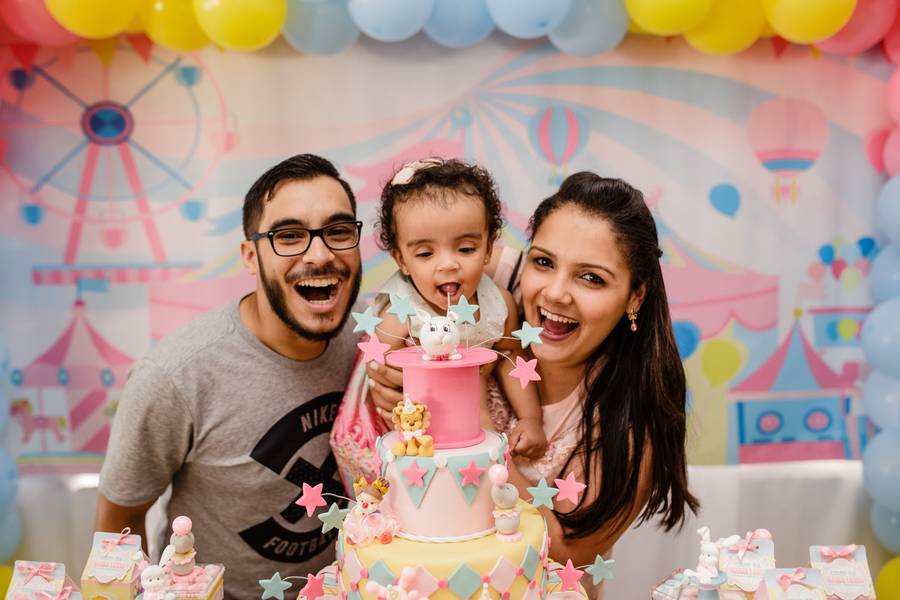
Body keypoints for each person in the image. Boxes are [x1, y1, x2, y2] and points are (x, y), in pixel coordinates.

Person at [368, 172, 698, 593]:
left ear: (635, 295)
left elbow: (566, 555)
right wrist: (393, 378)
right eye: (543, 262)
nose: (555, 293)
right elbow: (432, 217)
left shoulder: (626, 430)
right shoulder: (485, 297)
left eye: (591, 278)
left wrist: (474, 423)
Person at [96, 154, 363, 600]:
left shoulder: (374, 346)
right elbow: (117, 527)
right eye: (289, 236)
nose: (320, 254)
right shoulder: (175, 376)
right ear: (250, 257)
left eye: (338, 232)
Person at [374, 158, 546, 454]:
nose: (449, 264)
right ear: (401, 259)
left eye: (466, 249)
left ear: (489, 249)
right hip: (421, 436)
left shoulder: (499, 304)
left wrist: (531, 419)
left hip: (486, 427)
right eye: (426, 253)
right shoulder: (400, 315)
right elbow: (381, 378)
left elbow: (512, 362)